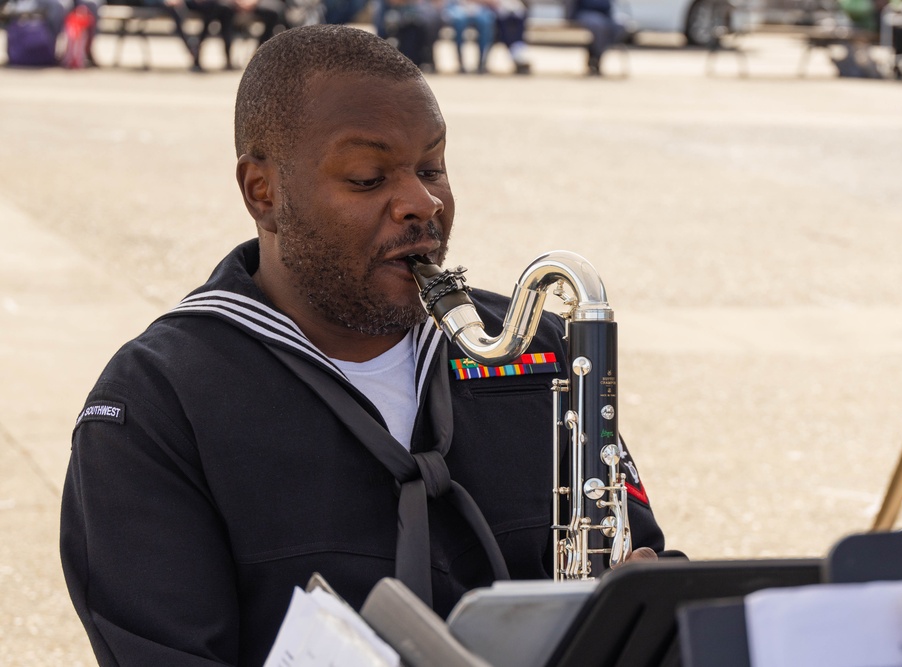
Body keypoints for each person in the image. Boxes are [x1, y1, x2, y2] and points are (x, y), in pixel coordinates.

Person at [60, 24, 670, 667]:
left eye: (432, 166)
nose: (422, 201)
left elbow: (653, 581)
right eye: (367, 177)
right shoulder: (156, 406)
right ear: (261, 193)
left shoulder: (539, 351)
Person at [566, 0, 625, 75]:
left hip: (605, 15)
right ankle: (595, 58)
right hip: (585, 13)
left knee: (619, 26)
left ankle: (599, 54)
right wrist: (570, 17)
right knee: (598, 25)